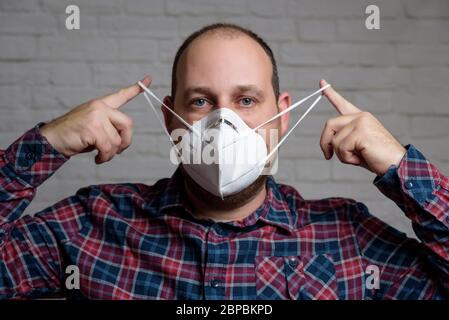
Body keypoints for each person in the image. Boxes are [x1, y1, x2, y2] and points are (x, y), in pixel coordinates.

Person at [0, 23, 448, 300]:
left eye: (247, 99)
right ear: (171, 116)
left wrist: (399, 166)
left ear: (282, 113)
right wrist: (48, 142)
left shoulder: (348, 238)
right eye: (200, 101)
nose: (223, 121)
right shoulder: (92, 224)